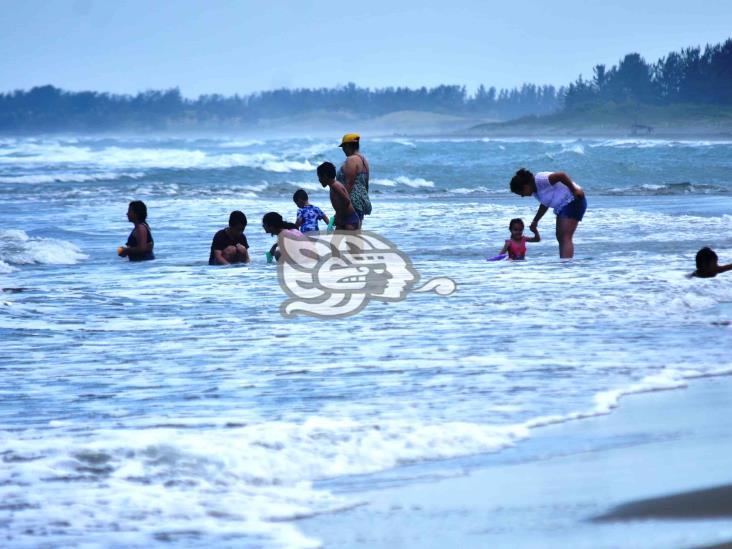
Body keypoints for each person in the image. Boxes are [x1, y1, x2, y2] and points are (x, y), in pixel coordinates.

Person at [510, 168, 587, 259]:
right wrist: (535, 221)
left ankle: (567, 264)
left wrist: (574, 190)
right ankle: (564, 262)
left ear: (526, 186)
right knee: (560, 237)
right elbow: (545, 204)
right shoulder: (535, 191)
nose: (522, 196)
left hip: (572, 200)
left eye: (521, 193)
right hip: (562, 207)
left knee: (565, 237)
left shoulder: (541, 179)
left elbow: (561, 175)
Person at [336, 133, 371, 225]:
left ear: (348, 145)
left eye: (343, 146)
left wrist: (341, 208)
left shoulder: (351, 160)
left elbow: (348, 184)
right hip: (361, 202)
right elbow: (366, 185)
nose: (343, 149)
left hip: (351, 204)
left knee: (346, 235)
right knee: (354, 235)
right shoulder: (364, 161)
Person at [317, 162, 360, 230]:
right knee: (335, 240)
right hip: (343, 219)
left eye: (319, 177)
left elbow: (347, 201)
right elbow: (340, 205)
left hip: (350, 219)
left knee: (350, 240)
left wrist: (340, 216)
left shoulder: (335, 185)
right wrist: (336, 216)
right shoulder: (332, 187)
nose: (319, 180)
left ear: (325, 176)